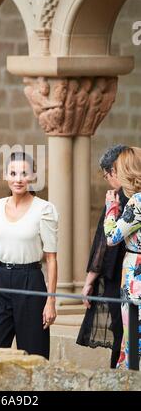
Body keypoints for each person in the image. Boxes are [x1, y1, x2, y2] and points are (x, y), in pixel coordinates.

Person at [0, 151, 58, 358]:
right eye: (13, 173)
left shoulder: (44, 210)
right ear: (5, 175)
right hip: (0, 281)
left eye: (24, 173)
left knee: (35, 353)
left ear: (33, 176)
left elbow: (51, 259)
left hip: (30, 281)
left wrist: (50, 301)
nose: (18, 179)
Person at [76, 145, 128, 368]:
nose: (108, 180)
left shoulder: (122, 200)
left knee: (122, 329)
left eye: (107, 175)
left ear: (115, 171)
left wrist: (89, 281)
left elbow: (105, 240)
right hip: (124, 273)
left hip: (123, 275)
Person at [104, 146, 141, 369]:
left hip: (136, 272)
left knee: (133, 331)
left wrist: (111, 209)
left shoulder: (137, 202)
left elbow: (112, 237)